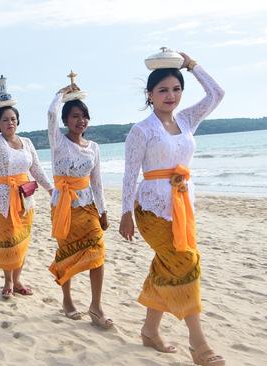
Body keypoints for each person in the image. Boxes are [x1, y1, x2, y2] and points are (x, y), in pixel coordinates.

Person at [119, 53, 225, 365]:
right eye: (163, 90)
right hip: (151, 209)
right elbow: (129, 174)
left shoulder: (188, 119)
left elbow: (217, 94)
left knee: (167, 266)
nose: (171, 95)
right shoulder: (142, 130)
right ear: (150, 95)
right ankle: (199, 344)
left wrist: (192, 66)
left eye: (176, 89)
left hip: (181, 207)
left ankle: (150, 330)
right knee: (186, 262)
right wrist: (126, 213)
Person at [46, 85, 112, 329]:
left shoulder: (93, 147)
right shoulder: (58, 142)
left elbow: (97, 182)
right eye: (75, 116)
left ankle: (96, 305)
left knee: (98, 253)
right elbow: (51, 115)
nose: (80, 120)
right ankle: (67, 300)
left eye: (84, 116)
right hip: (64, 207)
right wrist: (59, 95)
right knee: (67, 254)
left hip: (88, 208)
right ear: (65, 120)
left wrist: (103, 210)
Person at [0, 96, 53, 299]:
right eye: (5, 120)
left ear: (18, 121)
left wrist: (50, 189)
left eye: (13, 119)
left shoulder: (27, 142)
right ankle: (8, 281)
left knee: (22, 241)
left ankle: (17, 280)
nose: (10, 123)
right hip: (0, 201)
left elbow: (36, 169)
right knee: (9, 240)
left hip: (25, 200)